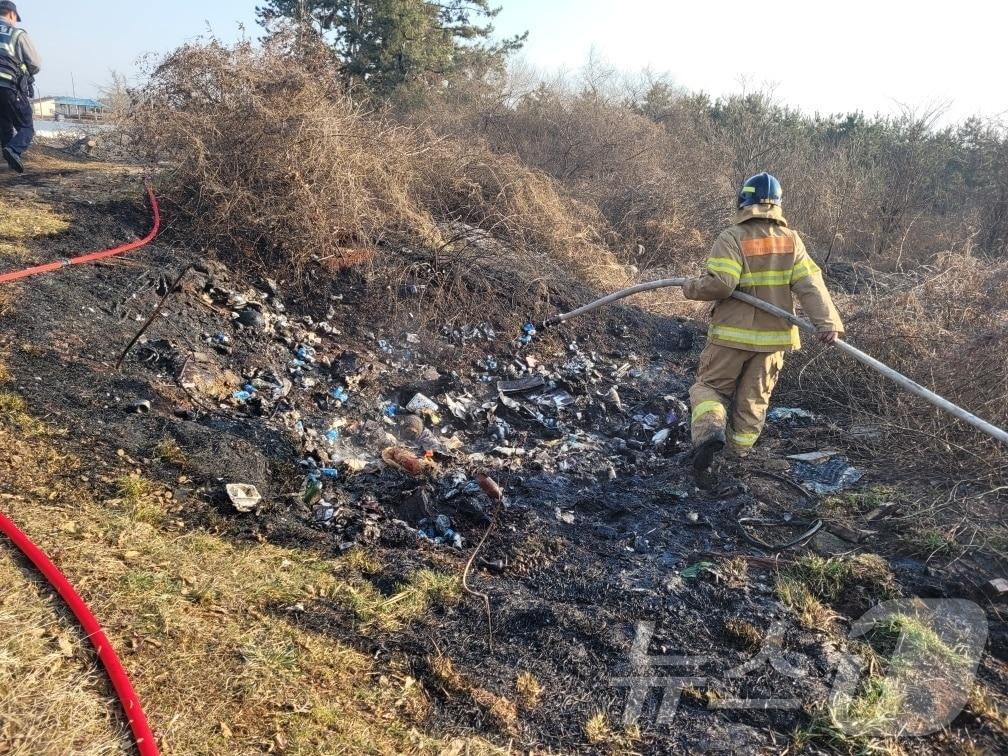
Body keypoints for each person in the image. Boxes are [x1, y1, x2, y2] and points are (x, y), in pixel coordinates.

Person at [683, 172, 843, 483]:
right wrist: (827, 323)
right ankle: (736, 457)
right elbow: (811, 285)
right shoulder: (791, 240)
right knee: (753, 401)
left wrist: (691, 287)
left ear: (743, 201)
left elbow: (721, 284)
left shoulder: (732, 237)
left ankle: (710, 432)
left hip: (731, 337)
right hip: (773, 342)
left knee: (710, 388)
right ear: (777, 204)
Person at [0, 1, 40, 174]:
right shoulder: (17, 34)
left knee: (5, 124)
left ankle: (9, 163)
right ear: (11, 14)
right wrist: (27, 73)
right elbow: (35, 63)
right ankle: (13, 150)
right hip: (9, 86)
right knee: (26, 127)